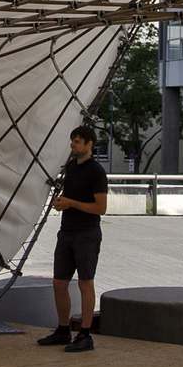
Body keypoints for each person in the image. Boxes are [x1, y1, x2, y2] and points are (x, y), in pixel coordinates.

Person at [38, 124, 107, 353]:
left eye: (76, 141)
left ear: (89, 144)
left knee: (85, 283)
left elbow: (100, 207)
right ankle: (63, 330)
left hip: (86, 233)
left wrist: (71, 204)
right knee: (59, 283)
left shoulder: (96, 171)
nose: (72, 145)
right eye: (72, 141)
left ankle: (85, 334)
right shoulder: (71, 167)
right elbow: (70, 196)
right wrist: (61, 202)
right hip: (66, 231)